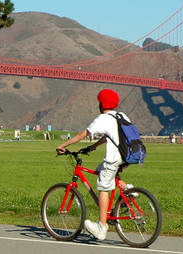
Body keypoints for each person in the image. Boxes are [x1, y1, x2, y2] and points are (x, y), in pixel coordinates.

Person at [56, 88, 132, 241]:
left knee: (103, 186)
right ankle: (127, 190)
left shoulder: (103, 118)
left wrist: (64, 145)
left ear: (101, 104)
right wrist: (92, 147)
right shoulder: (121, 115)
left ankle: (101, 227)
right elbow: (108, 137)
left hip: (114, 158)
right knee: (100, 170)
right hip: (128, 156)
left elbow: (82, 135)